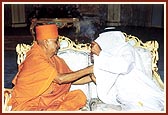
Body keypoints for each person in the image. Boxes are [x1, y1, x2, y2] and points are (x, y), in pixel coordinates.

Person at [8, 24, 94, 111]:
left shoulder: (54, 59)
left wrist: (91, 77)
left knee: (78, 96)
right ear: (46, 43)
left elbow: (70, 79)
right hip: (30, 103)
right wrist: (89, 69)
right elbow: (60, 79)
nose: (59, 45)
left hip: (50, 101)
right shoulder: (35, 58)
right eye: (56, 41)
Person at [90, 30, 164, 111]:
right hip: (126, 98)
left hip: (140, 92)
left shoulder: (126, 48)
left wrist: (100, 53)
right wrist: (98, 81)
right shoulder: (110, 55)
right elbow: (111, 81)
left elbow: (124, 66)